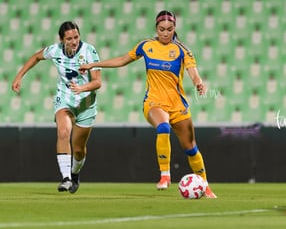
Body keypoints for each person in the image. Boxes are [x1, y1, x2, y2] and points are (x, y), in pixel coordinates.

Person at [79, 10, 217, 198]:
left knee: (191, 148)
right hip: (153, 102)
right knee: (163, 125)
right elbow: (122, 60)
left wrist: (199, 83)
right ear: (156, 28)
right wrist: (94, 65)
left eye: (169, 29)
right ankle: (165, 175)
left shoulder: (182, 50)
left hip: (178, 105)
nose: (165, 33)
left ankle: (206, 187)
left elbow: (193, 72)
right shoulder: (146, 46)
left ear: (174, 28)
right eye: (162, 29)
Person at [12, 21, 102, 193]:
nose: (74, 41)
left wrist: (82, 88)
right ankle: (66, 178)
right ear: (61, 39)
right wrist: (19, 76)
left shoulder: (89, 51)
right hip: (65, 99)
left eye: (76, 37)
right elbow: (36, 57)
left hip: (86, 104)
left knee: (79, 149)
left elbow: (97, 82)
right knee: (63, 132)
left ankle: (75, 174)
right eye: (69, 39)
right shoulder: (54, 50)